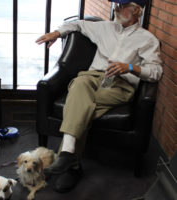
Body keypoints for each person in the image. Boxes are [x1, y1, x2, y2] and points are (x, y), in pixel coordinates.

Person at [36, 0, 162, 192]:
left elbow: (156, 72)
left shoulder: (148, 39)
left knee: (81, 105)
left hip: (120, 85)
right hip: (92, 78)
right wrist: (57, 33)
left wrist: (130, 67)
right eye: (116, 5)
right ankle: (69, 157)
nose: (116, 9)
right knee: (79, 83)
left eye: (122, 5)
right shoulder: (104, 27)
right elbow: (77, 24)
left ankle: (72, 162)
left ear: (137, 10)